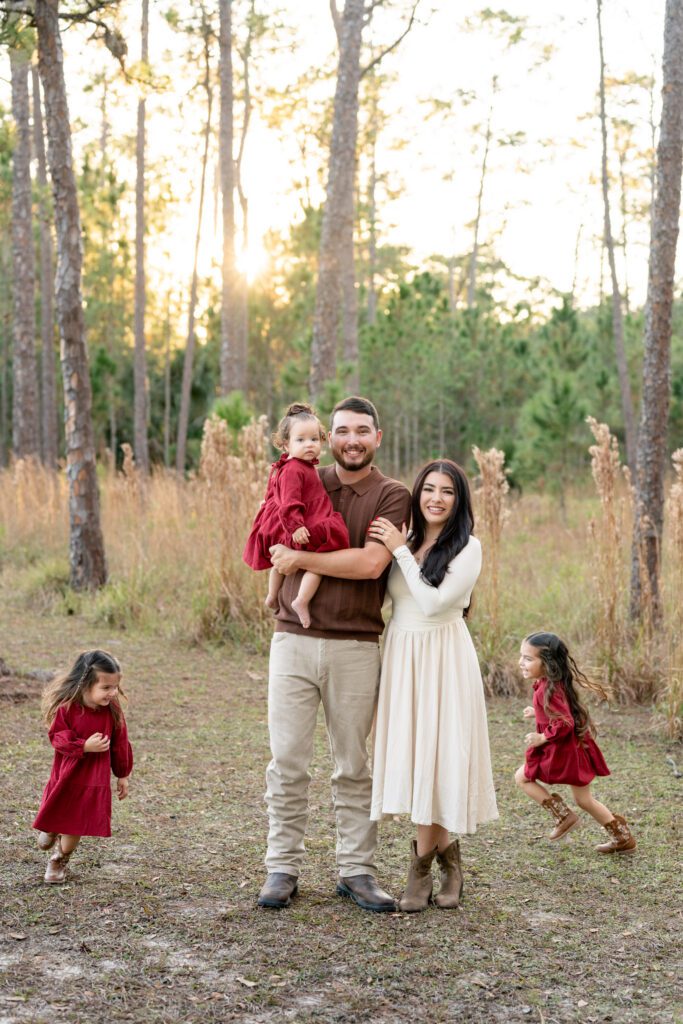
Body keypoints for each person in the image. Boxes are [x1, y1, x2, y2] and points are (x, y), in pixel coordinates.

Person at [258, 396, 411, 912]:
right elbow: (270, 533)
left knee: (353, 763)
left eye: (361, 431)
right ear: (327, 437)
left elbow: (370, 565)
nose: (350, 440)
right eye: (341, 430)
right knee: (287, 761)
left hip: (356, 645)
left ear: (377, 437)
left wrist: (300, 555)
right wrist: (283, 561)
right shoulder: (302, 475)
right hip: (293, 641)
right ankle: (282, 865)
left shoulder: (394, 495)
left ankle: (357, 871)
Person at [368, 459, 499, 913]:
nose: (436, 498)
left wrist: (400, 551)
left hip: (443, 656)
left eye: (447, 491)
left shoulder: (468, 548)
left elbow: (432, 602)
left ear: (459, 500)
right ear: (417, 493)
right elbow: (384, 597)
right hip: (404, 655)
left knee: (437, 757)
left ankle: (420, 869)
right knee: (420, 754)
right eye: (428, 489)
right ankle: (451, 865)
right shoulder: (407, 540)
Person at [514, 631, 636, 853]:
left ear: (548, 663)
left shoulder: (548, 689)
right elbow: (561, 712)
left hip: (564, 751)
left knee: (522, 777)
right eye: (522, 656)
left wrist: (542, 737)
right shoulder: (551, 684)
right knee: (584, 800)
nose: (521, 662)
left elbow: (565, 722)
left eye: (528, 658)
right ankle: (622, 837)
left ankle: (564, 817)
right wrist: (538, 713)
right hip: (573, 748)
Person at [243, 402, 350, 629]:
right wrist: (295, 526)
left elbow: (275, 493)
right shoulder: (293, 468)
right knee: (324, 555)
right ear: (285, 445)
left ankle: (272, 595)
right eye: (300, 440)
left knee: (281, 561)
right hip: (303, 523)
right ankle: (301, 600)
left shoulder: (298, 465)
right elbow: (290, 501)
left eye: (313, 439)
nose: (309, 445)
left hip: (301, 521)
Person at [33, 650, 133, 884]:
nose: (113, 692)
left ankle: (59, 859)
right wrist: (83, 746)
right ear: (86, 684)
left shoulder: (113, 711)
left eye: (115, 686)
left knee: (74, 823)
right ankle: (49, 828)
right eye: (106, 687)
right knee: (57, 807)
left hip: (92, 781)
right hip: (67, 775)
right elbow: (57, 737)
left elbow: (120, 743)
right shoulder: (68, 709)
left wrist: (122, 774)